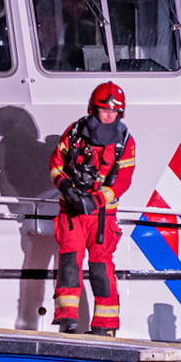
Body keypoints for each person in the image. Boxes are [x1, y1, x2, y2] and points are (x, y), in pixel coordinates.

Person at [50, 82, 136, 334]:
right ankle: (67, 319)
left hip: (102, 217)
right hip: (72, 212)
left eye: (114, 111)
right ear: (92, 108)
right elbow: (56, 163)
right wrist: (66, 187)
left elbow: (122, 181)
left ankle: (105, 326)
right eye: (103, 109)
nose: (109, 114)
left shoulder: (125, 142)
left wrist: (95, 200)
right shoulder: (75, 132)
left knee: (101, 267)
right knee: (68, 263)